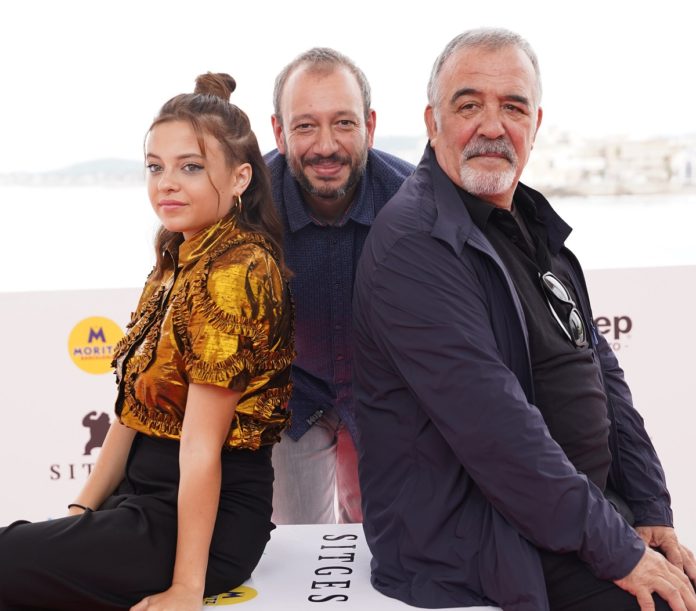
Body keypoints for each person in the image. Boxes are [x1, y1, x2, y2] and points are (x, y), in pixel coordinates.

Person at [353, 28, 696, 611]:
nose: (492, 126)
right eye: (469, 105)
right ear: (433, 122)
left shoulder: (532, 224)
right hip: (473, 536)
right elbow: (495, 429)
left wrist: (649, 512)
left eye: (512, 107)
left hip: (565, 515)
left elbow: (601, 374)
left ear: (535, 125)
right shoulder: (413, 243)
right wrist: (618, 551)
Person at [0, 73, 294, 611]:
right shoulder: (174, 257)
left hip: (207, 521)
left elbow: (202, 449)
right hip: (144, 499)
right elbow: (130, 416)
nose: (167, 183)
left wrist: (186, 587)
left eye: (191, 166)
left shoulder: (239, 268)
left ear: (240, 177)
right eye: (155, 167)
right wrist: (80, 511)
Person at [264, 47, 413, 524]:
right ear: (279, 133)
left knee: (389, 549)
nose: (325, 145)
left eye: (344, 123)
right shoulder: (246, 207)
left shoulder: (412, 203)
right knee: (296, 546)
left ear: (369, 127)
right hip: (291, 397)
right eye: (305, 125)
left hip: (383, 396)